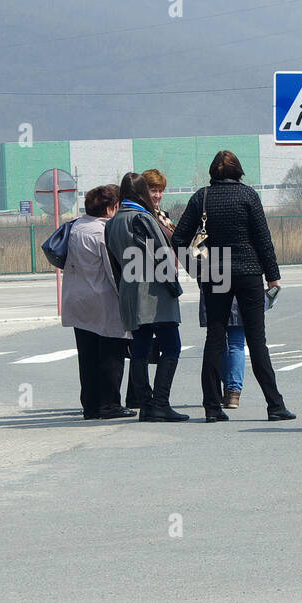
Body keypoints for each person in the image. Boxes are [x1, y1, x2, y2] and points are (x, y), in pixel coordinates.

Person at [172, 150, 294, 422]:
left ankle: (212, 408)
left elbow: (179, 238)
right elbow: (263, 240)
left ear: (212, 173)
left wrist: (196, 269)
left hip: (215, 272)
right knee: (256, 341)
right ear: (239, 172)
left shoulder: (201, 197)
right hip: (249, 273)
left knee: (215, 338)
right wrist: (273, 276)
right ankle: (274, 405)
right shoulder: (249, 196)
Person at [104, 173, 188, 422]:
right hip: (154, 291)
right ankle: (160, 403)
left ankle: (146, 403)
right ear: (141, 193)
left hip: (129, 289)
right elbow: (161, 253)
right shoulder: (142, 218)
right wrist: (173, 286)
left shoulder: (113, 222)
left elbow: (113, 262)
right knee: (171, 346)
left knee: (140, 347)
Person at [62, 184, 134, 420]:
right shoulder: (103, 231)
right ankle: (110, 404)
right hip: (103, 299)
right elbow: (112, 271)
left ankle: (90, 405)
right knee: (112, 353)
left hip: (77, 299)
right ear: (110, 208)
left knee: (87, 355)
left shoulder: (75, 227)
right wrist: (127, 300)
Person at [198, 291, 249, 409]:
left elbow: (196, 272)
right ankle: (233, 393)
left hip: (215, 293)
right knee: (236, 344)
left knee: (218, 344)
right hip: (240, 292)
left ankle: (226, 387)